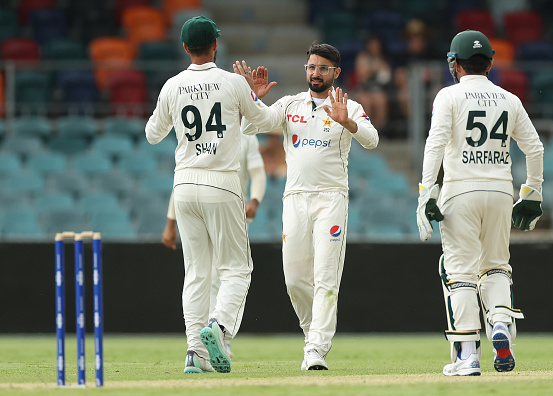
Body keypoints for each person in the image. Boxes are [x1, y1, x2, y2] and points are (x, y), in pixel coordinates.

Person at [145, 15, 278, 374]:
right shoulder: (234, 83)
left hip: (184, 185)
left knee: (196, 273)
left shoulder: (172, 85)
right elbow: (262, 122)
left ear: (185, 47)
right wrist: (253, 96)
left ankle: (193, 352)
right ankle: (217, 328)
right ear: (216, 45)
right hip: (222, 182)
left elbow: (152, 134)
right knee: (237, 269)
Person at [240, 43, 379, 370]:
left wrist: (349, 123)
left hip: (332, 198)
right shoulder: (290, 104)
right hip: (296, 199)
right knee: (295, 280)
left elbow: (372, 139)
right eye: (311, 67)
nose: (315, 73)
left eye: (322, 68)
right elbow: (251, 126)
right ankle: (311, 334)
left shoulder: (348, 106)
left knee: (325, 276)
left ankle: (316, 347)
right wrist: (253, 98)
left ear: (336, 73)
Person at [416, 30, 544, 376]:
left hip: (460, 190)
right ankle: (500, 325)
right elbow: (535, 148)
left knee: (458, 272)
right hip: (501, 191)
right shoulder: (509, 99)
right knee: (496, 266)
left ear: (454, 64)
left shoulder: (448, 96)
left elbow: (435, 144)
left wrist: (426, 191)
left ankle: (468, 356)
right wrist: (532, 192)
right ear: (489, 63)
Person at [162, 132, 267, 359]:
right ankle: (218, 333)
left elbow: (257, 174)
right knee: (220, 275)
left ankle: (197, 350)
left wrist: (254, 201)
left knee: (200, 275)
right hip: (223, 206)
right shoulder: (209, 129)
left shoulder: (246, 136)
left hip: (221, 210)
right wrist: (170, 223)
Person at [352, 35, 392, 135]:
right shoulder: (362, 57)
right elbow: (362, 76)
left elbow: (386, 77)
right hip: (363, 88)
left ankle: (380, 131)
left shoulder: (384, 58)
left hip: (378, 88)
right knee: (366, 101)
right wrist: (373, 68)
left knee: (380, 100)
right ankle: (365, 130)